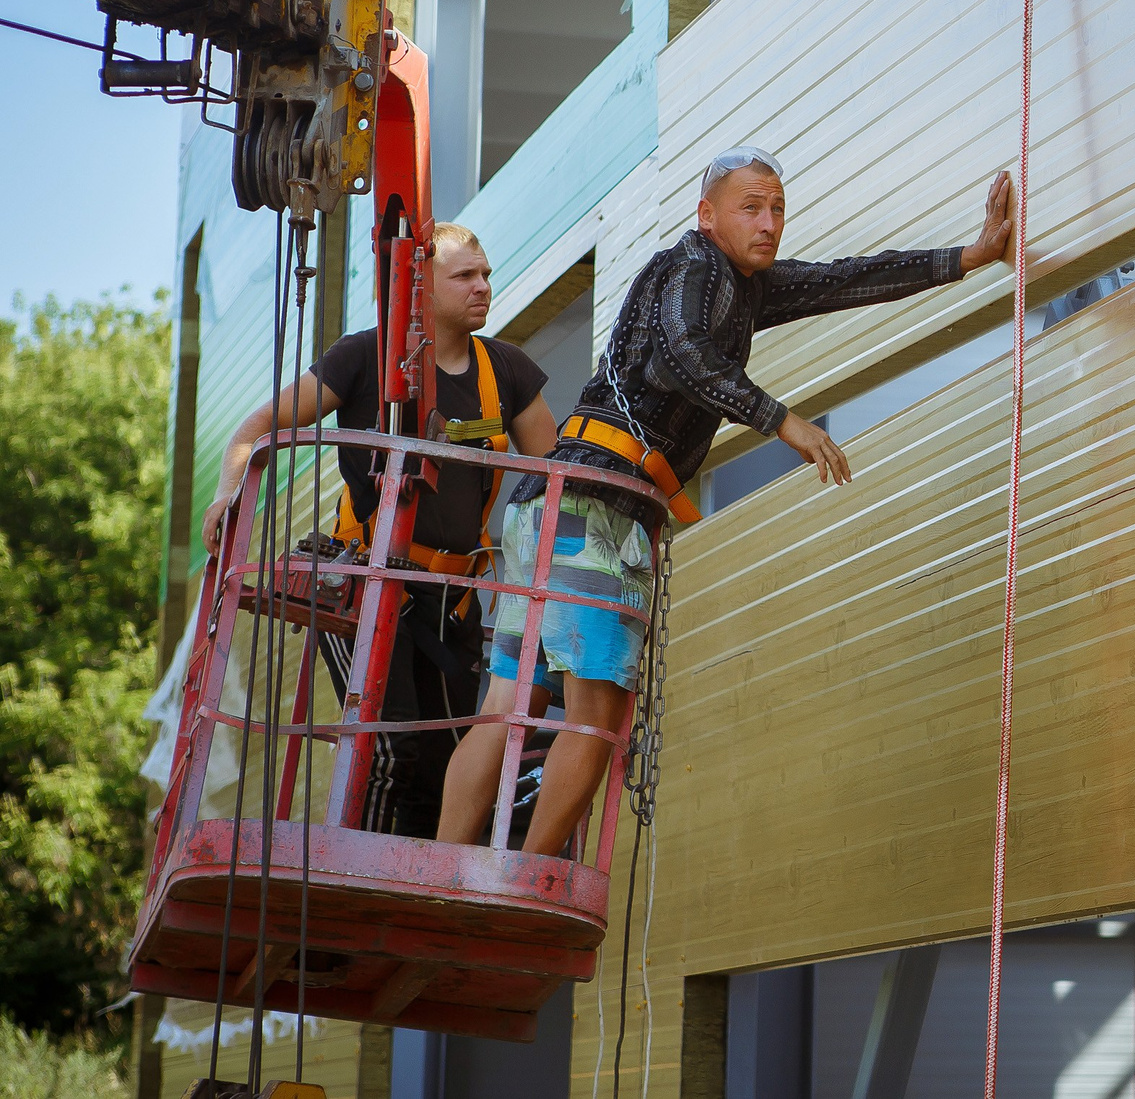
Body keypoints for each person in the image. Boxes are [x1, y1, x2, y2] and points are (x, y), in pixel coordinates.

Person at [438, 148, 1016, 854]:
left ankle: (447, 868)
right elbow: (684, 350)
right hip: (595, 508)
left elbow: (846, 279)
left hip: (551, 503)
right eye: (752, 206)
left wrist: (972, 255)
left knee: (510, 703)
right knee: (592, 721)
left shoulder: (744, 285)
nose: (769, 222)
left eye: (777, 208)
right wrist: (784, 421)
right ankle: (520, 885)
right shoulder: (696, 267)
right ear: (707, 215)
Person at [204, 222, 557, 838]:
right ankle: (355, 882)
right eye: (466, 276)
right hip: (362, 581)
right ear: (418, 284)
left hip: (452, 600)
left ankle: (421, 893)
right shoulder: (361, 357)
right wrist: (229, 493)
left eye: (487, 274)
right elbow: (257, 426)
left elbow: (552, 477)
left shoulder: (506, 372)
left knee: (445, 763)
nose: (484, 287)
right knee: (388, 750)